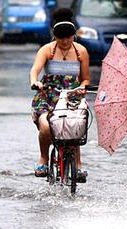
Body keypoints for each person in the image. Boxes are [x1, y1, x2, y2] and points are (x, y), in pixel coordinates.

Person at [29, 8, 90, 181]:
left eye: (68, 38)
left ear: (74, 36)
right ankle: (43, 159)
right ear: (54, 36)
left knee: (75, 128)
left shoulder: (81, 52)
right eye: (60, 38)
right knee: (47, 128)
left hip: (71, 97)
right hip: (47, 96)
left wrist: (83, 87)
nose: (65, 42)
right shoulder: (46, 50)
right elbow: (35, 70)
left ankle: (78, 165)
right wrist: (36, 82)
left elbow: (85, 79)